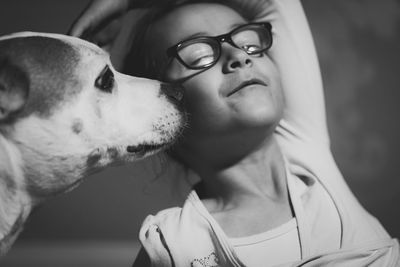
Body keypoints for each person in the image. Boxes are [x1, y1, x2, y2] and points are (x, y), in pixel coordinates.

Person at [70, 0, 400, 266]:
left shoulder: (306, 150)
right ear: (165, 110)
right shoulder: (175, 245)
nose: (238, 56)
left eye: (250, 43)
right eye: (199, 55)